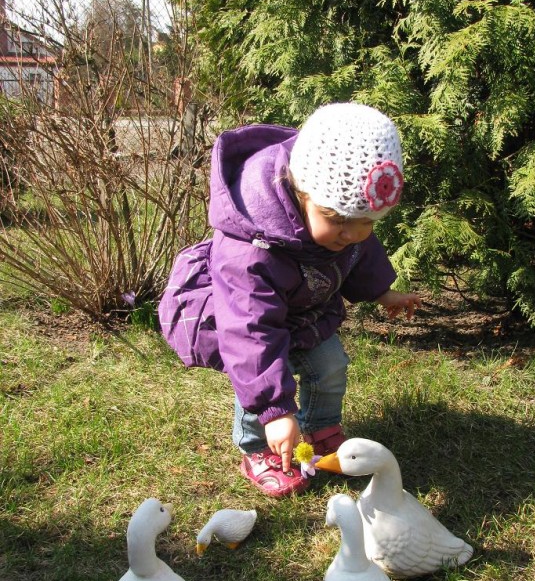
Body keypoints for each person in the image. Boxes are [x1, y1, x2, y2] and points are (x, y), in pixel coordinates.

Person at [158, 102, 421, 498]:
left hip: (303, 307)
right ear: (301, 191)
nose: (350, 233)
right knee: (258, 376)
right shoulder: (251, 248)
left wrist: (381, 290)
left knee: (330, 364)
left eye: (366, 222)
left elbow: (358, 255)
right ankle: (259, 448)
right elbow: (251, 332)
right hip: (245, 318)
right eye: (337, 220)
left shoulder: (343, 224)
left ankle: (319, 428)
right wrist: (276, 411)